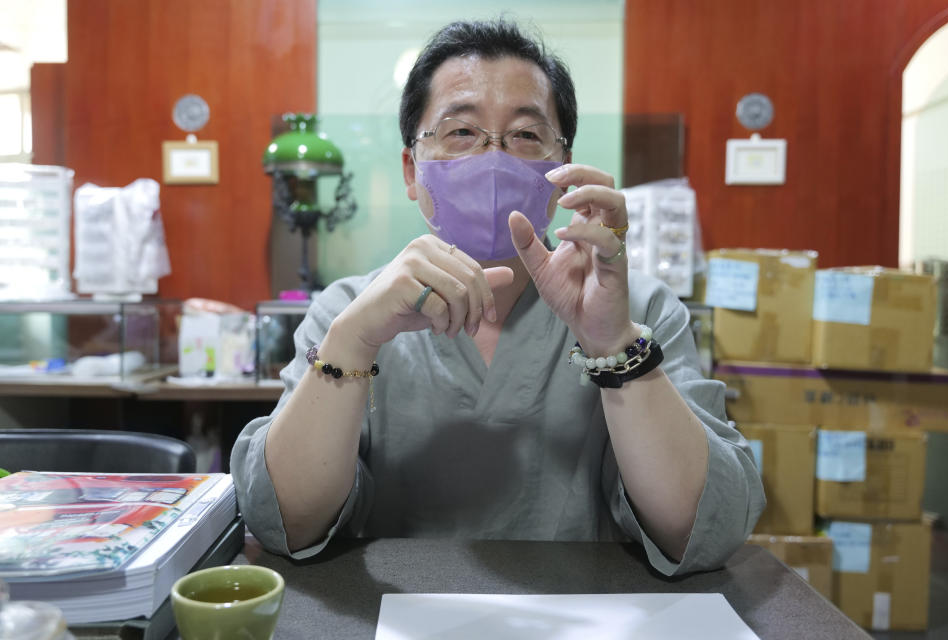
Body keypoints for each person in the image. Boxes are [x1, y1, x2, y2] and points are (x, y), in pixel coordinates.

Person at [231, 18, 764, 577]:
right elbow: (283, 522)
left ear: (562, 169)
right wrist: (352, 342)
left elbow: (705, 528)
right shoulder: (348, 312)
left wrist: (614, 345)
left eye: (526, 136)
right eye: (461, 132)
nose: (493, 157)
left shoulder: (641, 311)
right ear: (413, 170)